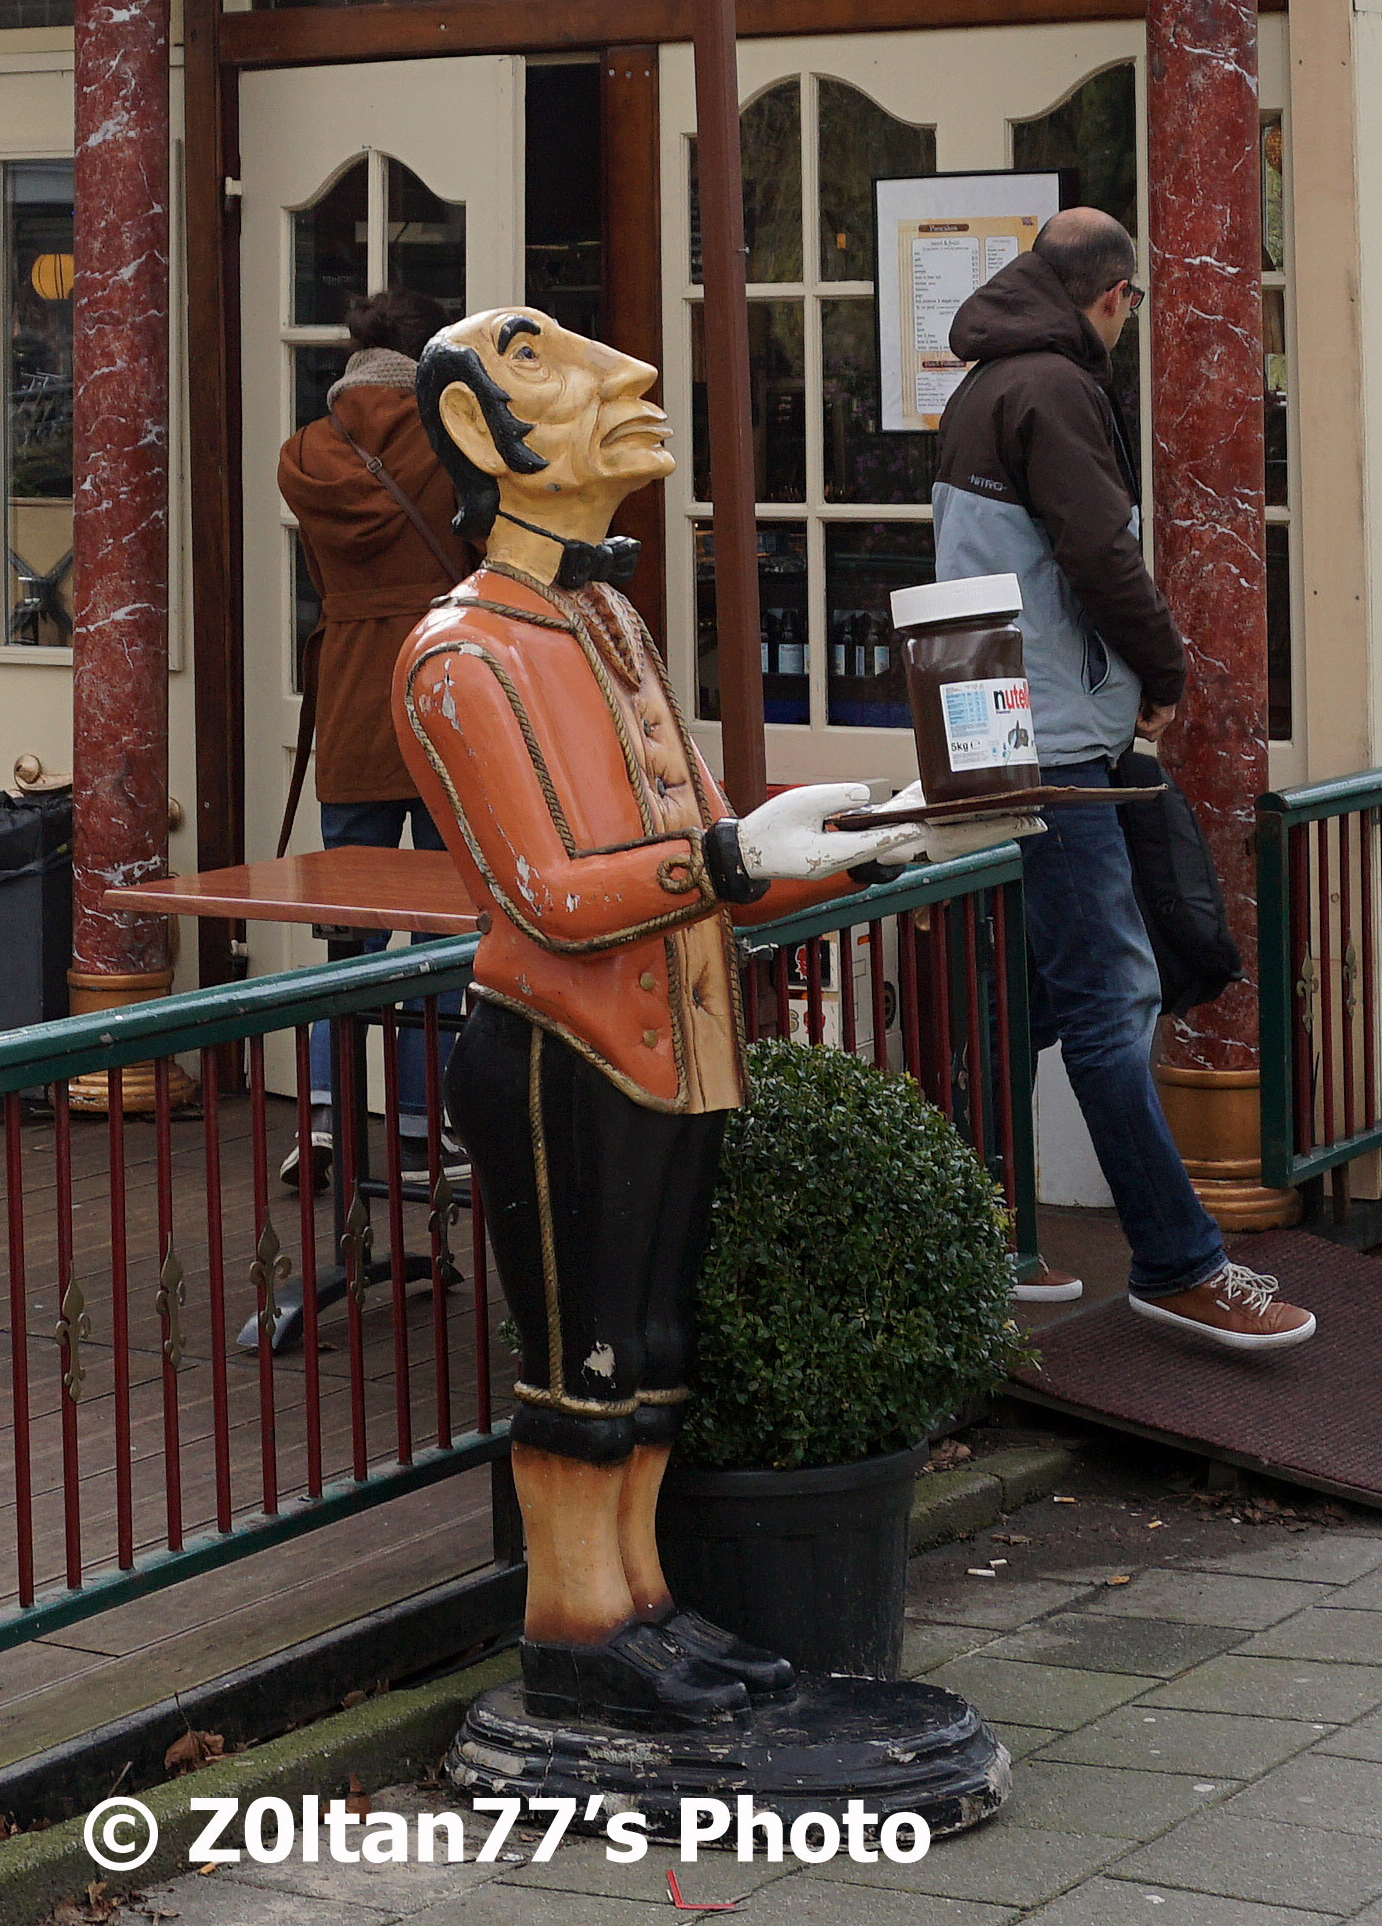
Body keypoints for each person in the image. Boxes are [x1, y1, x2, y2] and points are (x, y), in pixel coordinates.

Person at [395, 307, 961, 1726]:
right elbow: (547, 896)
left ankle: (641, 1600)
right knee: (581, 1358)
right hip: (563, 1053)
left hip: (675, 1047)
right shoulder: (461, 654)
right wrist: (730, 856)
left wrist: (852, 846)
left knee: (649, 1351)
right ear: (475, 428)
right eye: (541, 359)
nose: (630, 375)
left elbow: (711, 851)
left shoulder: (610, 619)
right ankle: (577, 1620)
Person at [933, 213, 1313, 1356]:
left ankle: (977, 1234)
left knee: (1022, 999)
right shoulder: (1057, 387)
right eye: (1135, 302)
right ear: (1115, 297)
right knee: (1109, 999)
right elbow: (1100, 553)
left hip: (987, 726)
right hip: (1054, 740)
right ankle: (1178, 1262)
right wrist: (1164, 670)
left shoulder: (980, 386)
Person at [279, 287, 473, 1163]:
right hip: (442, 692)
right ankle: (423, 1121)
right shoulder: (452, 439)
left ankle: (325, 1114)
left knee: (347, 932)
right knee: (440, 927)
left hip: (353, 695)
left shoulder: (306, 452)